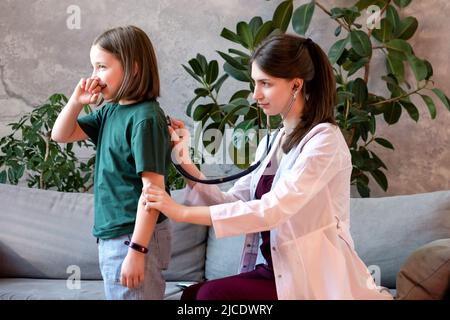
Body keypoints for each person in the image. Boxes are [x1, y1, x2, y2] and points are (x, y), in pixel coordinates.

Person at [142, 33, 393, 300]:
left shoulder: (325, 142)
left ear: (296, 85)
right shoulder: (271, 143)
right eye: (254, 83)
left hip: (308, 278)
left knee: (209, 298)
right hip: (273, 271)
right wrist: (183, 157)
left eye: (265, 83)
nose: (255, 95)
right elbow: (229, 201)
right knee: (193, 294)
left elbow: (273, 210)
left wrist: (179, 212)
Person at [51, 26, 172, 300]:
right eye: (93, 67)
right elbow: (61, 135)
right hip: (115, 235)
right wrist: (76, 101)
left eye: (102, 66)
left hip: (134, 237)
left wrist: (138, 250)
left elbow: (153, 193)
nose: (94, 76)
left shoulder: (145, 118)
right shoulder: (110, 111)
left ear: (134, 68)